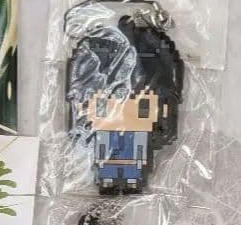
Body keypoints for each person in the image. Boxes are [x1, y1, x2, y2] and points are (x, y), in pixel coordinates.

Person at [67, 15, 184, 193]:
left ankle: (123, 181)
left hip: (124, 127)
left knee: (130, 154)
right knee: (120, 153)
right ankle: (116, 181)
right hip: (116, 127)